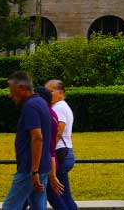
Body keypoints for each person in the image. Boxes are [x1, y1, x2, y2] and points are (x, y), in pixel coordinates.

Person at [4, 71, 52, 210]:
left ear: (22, 89)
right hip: (42, 165)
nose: (10, 95)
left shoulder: (30, 106)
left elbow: (37, 137)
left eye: (12, 91)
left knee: (10, 207)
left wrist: (34, 171)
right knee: (38, 205)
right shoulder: (40, 102)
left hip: (29, 169)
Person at [45, 79, 78, 210]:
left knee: (56, 193)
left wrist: (49, 150)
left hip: (60, 155)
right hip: (64, 153)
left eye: (50, 91)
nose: (47, 95)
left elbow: (59, 130)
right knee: (61, 194)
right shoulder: (60, 106)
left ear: (60, 92)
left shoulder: (59, 107)